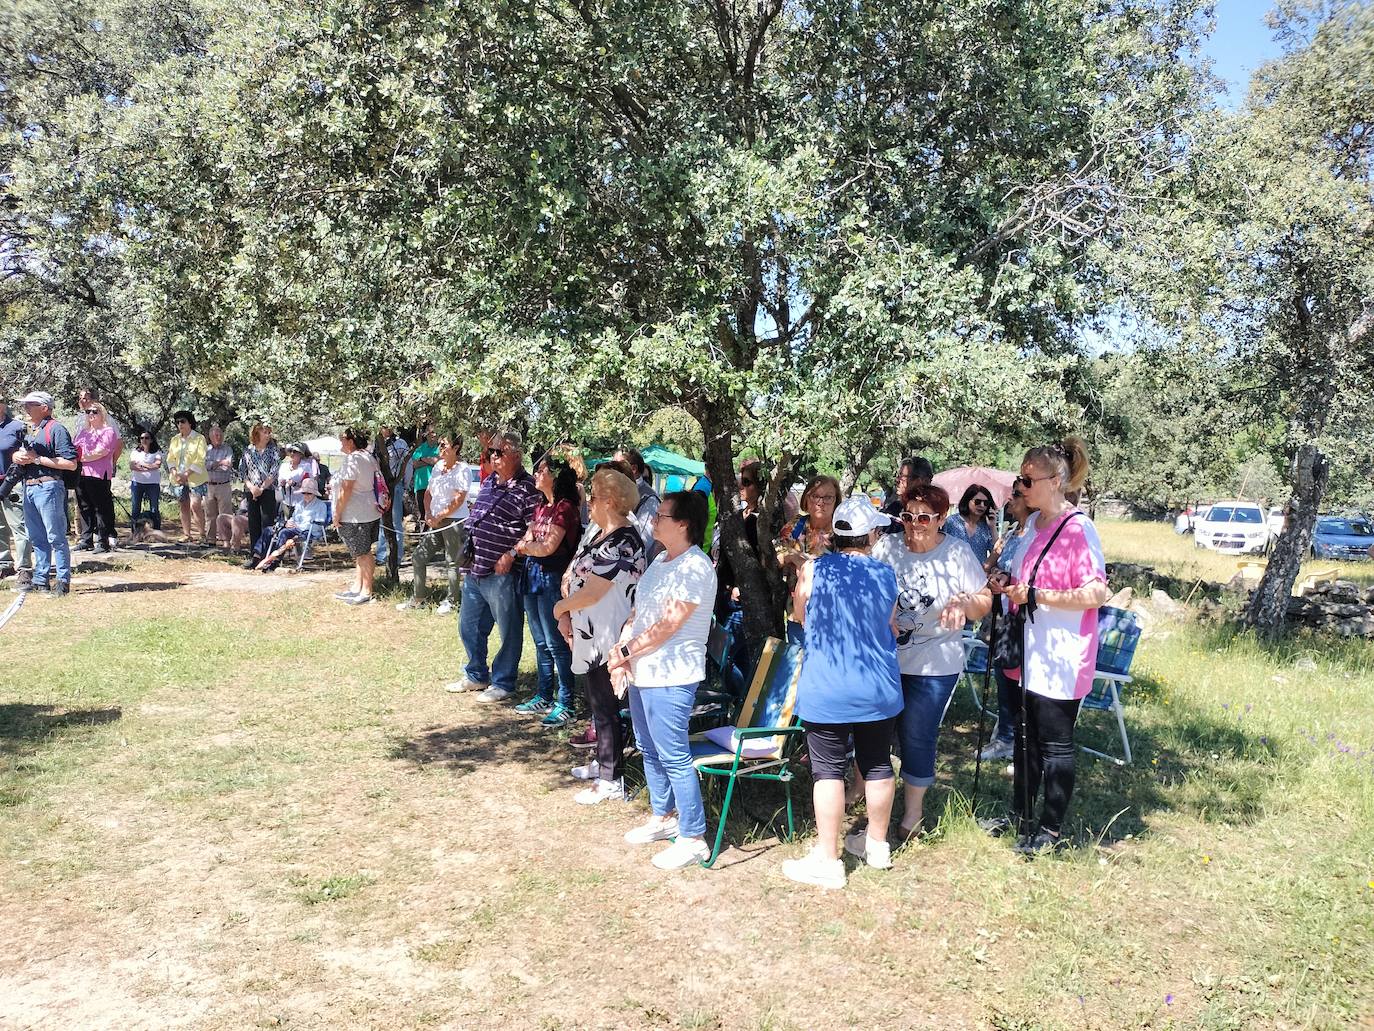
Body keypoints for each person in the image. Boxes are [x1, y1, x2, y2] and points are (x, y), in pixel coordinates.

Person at [782, 497, 903, 890]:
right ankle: (877, 845)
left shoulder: (813, 569)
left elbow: (799, 615)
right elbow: (891, 622)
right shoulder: (885, 574)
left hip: (828, 686)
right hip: (877, 687)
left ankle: (829, 859)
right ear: (870, 535)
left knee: (828, 771)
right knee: (878, 763)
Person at [997, 437, 1110, 855]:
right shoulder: (1032, 527)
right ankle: (1021, 816)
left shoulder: (1079, 529)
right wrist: (1007, 587)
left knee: (1055, 743)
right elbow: (1025, 582)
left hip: (1062, 654)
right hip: (1028, 650)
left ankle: (1050, 829)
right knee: (1024, 738)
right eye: (1019, 479)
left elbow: (1095, 593)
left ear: (1056, 480)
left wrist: (1037, 596)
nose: (1022, 487)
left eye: (1028, 479)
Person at [873, 482, 992, 839]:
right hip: (887, 657)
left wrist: (964, 605)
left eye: (924, 517)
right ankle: (866, 800)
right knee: (874, 731)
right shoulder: (887, 547)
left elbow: (983, 599)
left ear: (941, 519)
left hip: (935, 662)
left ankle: (913, 814)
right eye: (908, 516)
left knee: (917, 735)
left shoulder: (956, 553)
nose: (915, 524)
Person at [610, 490, 717, 869]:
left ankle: (693, 837)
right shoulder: (659, 561)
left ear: (683, 524)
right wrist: (624, 649)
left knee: (673, 753)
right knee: (648, 746)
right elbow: (640, 612)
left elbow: (668, 625)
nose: (654, 520)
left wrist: (625, 652)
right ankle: (664, 817)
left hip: (673, 675)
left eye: (662, 516)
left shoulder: (696, 567)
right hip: (644, 672)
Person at [553, 467, 646, 804]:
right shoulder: (598, 531)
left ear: (609, 501)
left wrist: (560, 608)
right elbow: (576, 570)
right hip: (589, 631)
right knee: (597, 701)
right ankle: (604, 761)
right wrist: (567, 611)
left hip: (608, 633)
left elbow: (594, 591)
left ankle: (611, 777)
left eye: (592, 495)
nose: (587, 501)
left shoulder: (623, 540)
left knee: (606, 704)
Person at [446, 431, 541, 701]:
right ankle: (476, 675)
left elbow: (534, 528)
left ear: (516, 455)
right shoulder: (490, 483)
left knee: (508, 629)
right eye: (492, 452)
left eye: (500, 452)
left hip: (503, 572)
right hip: (476, 567)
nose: (494, 457)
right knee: (469, 625)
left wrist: (512, 552)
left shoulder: (528, 487)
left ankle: (503, 681)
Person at [512, 454, 582, 726]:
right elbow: (530, 540)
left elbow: (547, 547)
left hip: (553, 578)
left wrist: (525, 548)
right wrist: (528, 547)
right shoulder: (541, 505)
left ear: (555, 475)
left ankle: (566, 701)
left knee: (556, 642)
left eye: (541, 470)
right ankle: (543, 694)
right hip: (533, 575)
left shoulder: (565, 508)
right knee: (540, 641)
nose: (536, 474)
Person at [979, 485, 1037, 762]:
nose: (1010, 499)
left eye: (1015, 494)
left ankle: (1019, 740)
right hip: (1004, 617)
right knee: (1004, 676)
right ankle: (1005, 738)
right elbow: (1000, 566)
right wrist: (999, 576)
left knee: (1020, 682)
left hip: (1028, 620)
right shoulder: (1013, 532)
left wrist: (1009, 580)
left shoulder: (1038, 535)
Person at [396, 431, 470, 616]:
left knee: (452, 561)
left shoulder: (463, 469)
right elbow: (428, 492)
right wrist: (428, 513)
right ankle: (418, 598)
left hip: (454, 521)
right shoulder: (438, 466)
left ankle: (453, 601)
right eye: (440, 445)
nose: (440, 449)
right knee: (418, 556)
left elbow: (459, 499)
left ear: (456, 448)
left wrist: (440, 516)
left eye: (444, 445)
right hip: (436, 519)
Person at [13, 392, 78, 596]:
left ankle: (62, 581)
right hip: (30, 487)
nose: (26, 408)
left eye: (30, 404)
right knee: (37, 537)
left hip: (48, 487)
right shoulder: (32, 430)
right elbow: (24, 456)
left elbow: (70, 463)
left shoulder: (56, 429)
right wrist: (18, 457)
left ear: (44, 407)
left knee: (55, 537)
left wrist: (37, 459)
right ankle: (41, 580)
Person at [778, 474, 841, 643]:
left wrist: (805, 563)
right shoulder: (796, 525)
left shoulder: (841, 533)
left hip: (831, 617)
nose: (820, 502)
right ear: (806, 499)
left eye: (828, 497)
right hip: (797, 616)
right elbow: (776, 555)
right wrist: (793, 557)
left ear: (836, 501)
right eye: (815, 496)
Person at [331, 427, 383, 605]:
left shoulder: (353, 459)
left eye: (343, 438)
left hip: (356, 515)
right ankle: (357, 587)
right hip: (369, 512)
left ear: (351, 441)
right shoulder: (368, 457)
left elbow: (346, 489)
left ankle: (366, 590)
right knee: (361, 552)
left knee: (363, 553)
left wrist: (337, 513)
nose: (341, 442)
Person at [713, 459, 762, 622]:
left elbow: (759, 557)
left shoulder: (762, 520)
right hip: (724, 589)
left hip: (739, 596)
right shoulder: (739, 513)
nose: (741, 486)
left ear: (760, 486)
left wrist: (740, 587)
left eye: (747, 482)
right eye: (740, 481)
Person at [73, 402, 120, 554]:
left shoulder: (108, 431)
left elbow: (102, 451)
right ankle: (86, 540)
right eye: (88, 411)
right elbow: (74, 449)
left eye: (95, 411)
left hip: (99, 475)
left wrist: (82, 458)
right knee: (84, 507)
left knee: (101, 508)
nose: (91, 414)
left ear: (102, 414)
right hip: (81, 474)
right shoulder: (82, 432)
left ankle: (103, 540)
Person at [255, 478, 328, 571]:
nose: (306, 495)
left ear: (314, 493)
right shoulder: (300, 503)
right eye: (304, 493)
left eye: (309, 493)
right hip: (294, 528)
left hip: (309, 531)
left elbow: (319, 524)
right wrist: (289, 522)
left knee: (283, 533)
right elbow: (293, 517)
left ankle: (275, 561)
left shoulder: (321, 505)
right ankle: (258, 557)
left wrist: (299, 526)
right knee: (268, 530)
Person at [238, 423, 281, 569]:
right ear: (257, 433)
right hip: (251, 491)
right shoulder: (248, 451)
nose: (268, 435)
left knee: (267, 524)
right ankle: (255, 556)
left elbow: (273, 473)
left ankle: (269, 557)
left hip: (267, 491)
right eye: (265, 432)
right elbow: (242, 471)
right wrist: (251, 487)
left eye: (269, 432)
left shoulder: (273, 451)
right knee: (254, 524)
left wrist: (262, 488)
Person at [0, 396, 33, 584]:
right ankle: (4, 564)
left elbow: (27, 453)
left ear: (3, 406)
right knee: (0, 527)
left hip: (12, 482)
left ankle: (24, 568)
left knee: (19, 527)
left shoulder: (17, 427)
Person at [164, 410, 208, 543]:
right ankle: (187, 534)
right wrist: (174, 473)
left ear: (190, 422)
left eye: (182, 421)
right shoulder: (175, 439)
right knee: (183, 505)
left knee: (195, 505)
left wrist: (186, 474)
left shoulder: (199, 438)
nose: (180, 424)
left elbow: (200, 459)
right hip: (178, 479)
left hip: (195, 478)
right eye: (177, 422)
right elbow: (170, 459)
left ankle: (202, 534)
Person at [375, 426, 411, 568]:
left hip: (395, 484)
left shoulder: (400, 443)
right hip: (380, 486)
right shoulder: (377, 444)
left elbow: (407, 466)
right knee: (383, 521)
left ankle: (396, 556)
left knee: (395, 522)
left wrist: (404, 484)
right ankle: (382, 555)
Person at [615, 447, 661, 555]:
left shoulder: (649, 499)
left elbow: (641, 543)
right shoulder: (620, 493)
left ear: (633, 469)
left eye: (616, 466)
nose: (610, 471)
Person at [944, 484, 998, 565]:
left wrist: (993, 527)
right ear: (967, 500)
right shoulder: (952, 522)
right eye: (978, 502)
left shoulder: (986, 526)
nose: (982, 505)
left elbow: (996, 553)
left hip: (978, 574)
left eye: (986, 503)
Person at [881, 456, 935, 531]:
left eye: (902, 477)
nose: (897, 480)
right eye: (898, 476)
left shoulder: (934, 512)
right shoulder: (894, 508)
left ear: (921, 480)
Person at [203, 424, 235, 543]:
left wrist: (213, 464)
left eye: (220, 434)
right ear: (210, 437)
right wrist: (219, 463)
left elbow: (227, 466)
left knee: (225, 514)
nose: (218, 437)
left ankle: (226, 540)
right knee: (210, 514)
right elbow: (204, 466)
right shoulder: (206, 450)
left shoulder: (227, 449)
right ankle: (210, 539)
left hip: (224, 485)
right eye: (216, 435)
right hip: (209, 485)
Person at [128, 429, 164, 532]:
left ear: (151, 440)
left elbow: (157, 465)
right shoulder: (135, 452)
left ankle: (156, 530)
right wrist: (148, 466)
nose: (144, 440)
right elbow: (132, 466)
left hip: (153, 484)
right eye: (142, 438)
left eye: (147, 438)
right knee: (135, 508)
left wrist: (142, 464)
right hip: (137, 483)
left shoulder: (157, 452)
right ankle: (135, 531)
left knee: (154, 508)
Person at [410, 425, 440, 533]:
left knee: (434, 512)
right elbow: (415, 464)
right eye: (431, 432)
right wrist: (429, 460)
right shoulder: (420, 449)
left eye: (435, 432)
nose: (434, 435)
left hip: (435, 487)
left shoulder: (440, 448)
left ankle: (433, 535)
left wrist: (422, 458)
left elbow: (437, 461)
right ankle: (422, 536)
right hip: (421, 486)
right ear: (427, 435)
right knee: (422, 513)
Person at [277, 442, 320, 512]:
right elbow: (278, 482)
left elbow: (309, 485)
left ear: (301, 454)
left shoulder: (306, 467)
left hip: (300, 502)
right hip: (285, 501)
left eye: (295, 451)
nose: (292, 454)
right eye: (290, 451)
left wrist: (295, 484)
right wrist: (282, 483)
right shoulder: (283, 466)